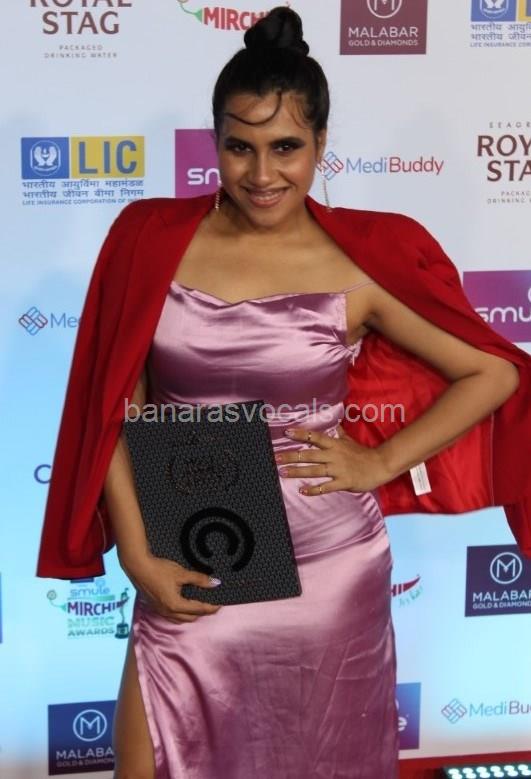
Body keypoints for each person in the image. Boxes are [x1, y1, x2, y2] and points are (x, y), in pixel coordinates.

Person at [35, 7, 530, 779]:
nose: (261, 175)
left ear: (321, 146)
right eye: (240, 146)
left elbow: (492, 371)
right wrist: (135, 551)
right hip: (191, 548)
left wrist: (379, 462)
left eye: (286, 147)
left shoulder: (358, 264)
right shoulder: (148, 240)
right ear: (215, 144)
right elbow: (119, 411)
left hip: (327, 563)